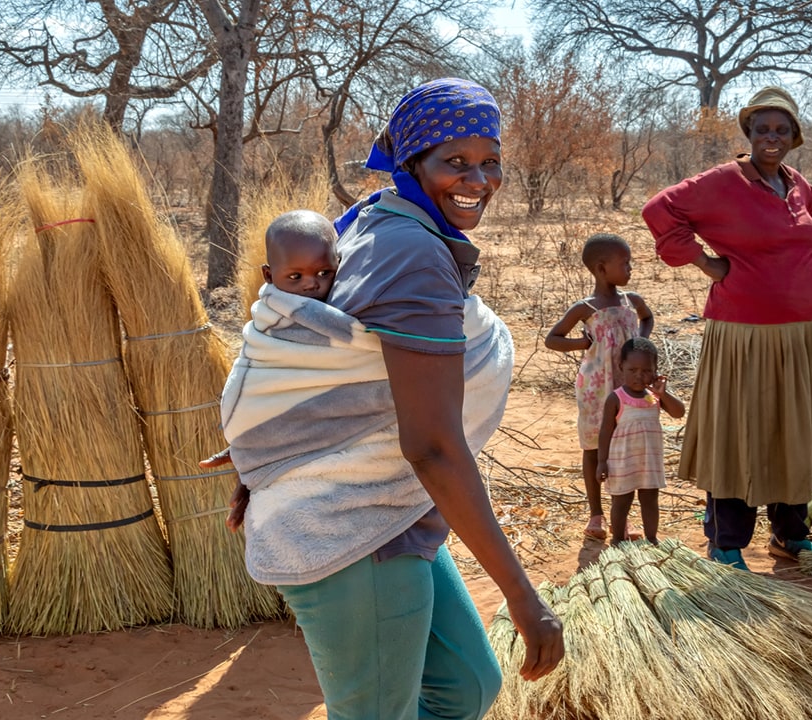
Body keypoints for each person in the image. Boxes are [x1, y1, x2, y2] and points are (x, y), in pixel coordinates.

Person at [212, 78, 563, 720]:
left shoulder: (385, 220)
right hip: (345, 526)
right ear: (411, 162)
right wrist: (522, 594)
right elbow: (430, 446)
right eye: (453, 161)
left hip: (387, 509)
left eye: (489, 161)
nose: (477, 179)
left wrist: (272, 446)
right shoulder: (411, 253)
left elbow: (328, 364)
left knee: (465, 688)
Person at [640, 86, 812, 572]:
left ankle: (791, 536)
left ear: (795, 137)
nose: (771, 137)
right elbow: (657, 210)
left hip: (803, 332)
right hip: (744, 332)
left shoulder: (796, 184)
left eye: (781, 129)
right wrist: (709, 264)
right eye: (762, 128)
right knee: (740, 433)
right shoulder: (724, 181)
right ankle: (726, 542)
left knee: (793, 431)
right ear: (748, 133)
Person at [544, 233, 653, 541]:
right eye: (625, 263)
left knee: (623, 449)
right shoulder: (585, 308)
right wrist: (583, 342)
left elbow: (647, 318)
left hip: (627, 388)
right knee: (593, 447)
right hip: (595, 388)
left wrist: (641, 344)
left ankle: (623, 517)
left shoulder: (632, 301)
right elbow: (552, 339)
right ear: (602, 268)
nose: (630, 268)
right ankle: (596, 515)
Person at [597, 337, 685, 546]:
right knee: (621, 501)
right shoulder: (616, 398)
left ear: (655, 371)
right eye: (632, 370)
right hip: (622, 462)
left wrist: (663, 393)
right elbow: (605, 432)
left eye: (646, 370)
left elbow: (679, 412)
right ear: (621, 368)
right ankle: (618, 539)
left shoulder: (655, 397)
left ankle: (652, 539)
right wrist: (602, 461)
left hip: (649, 462)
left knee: (650, 501)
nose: (639, 376)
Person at [260, 209, 339, 300]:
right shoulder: (267, 311)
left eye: (323, 273)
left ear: (338, 263)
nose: (311, 285)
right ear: (269, 275)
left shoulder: (345, 304)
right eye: (295, 276)